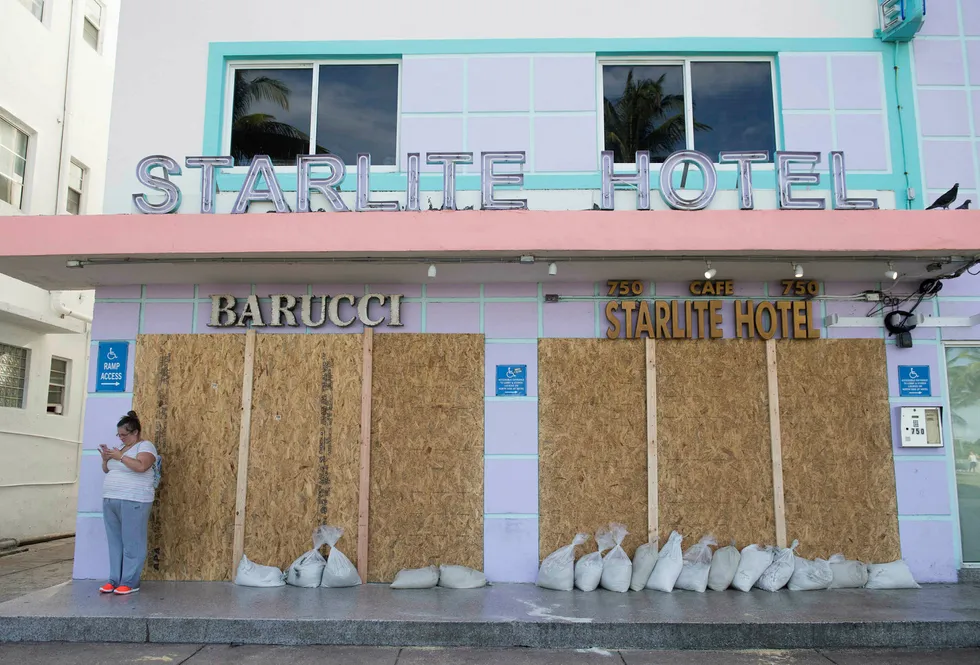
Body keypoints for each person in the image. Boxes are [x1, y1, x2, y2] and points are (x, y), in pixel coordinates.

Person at [98, 411, 158, 595]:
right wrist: (106, 459)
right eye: (119, 435)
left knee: (133, 542)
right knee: (115, 541)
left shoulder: (145, 446)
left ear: (135, 433)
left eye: (124, 435)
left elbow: (141, 466)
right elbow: (107, 470)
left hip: (134, 499)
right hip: (111, 498)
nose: (121, 438)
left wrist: (119, 457)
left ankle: (130, 582)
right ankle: (114, 579)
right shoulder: (121, 450)